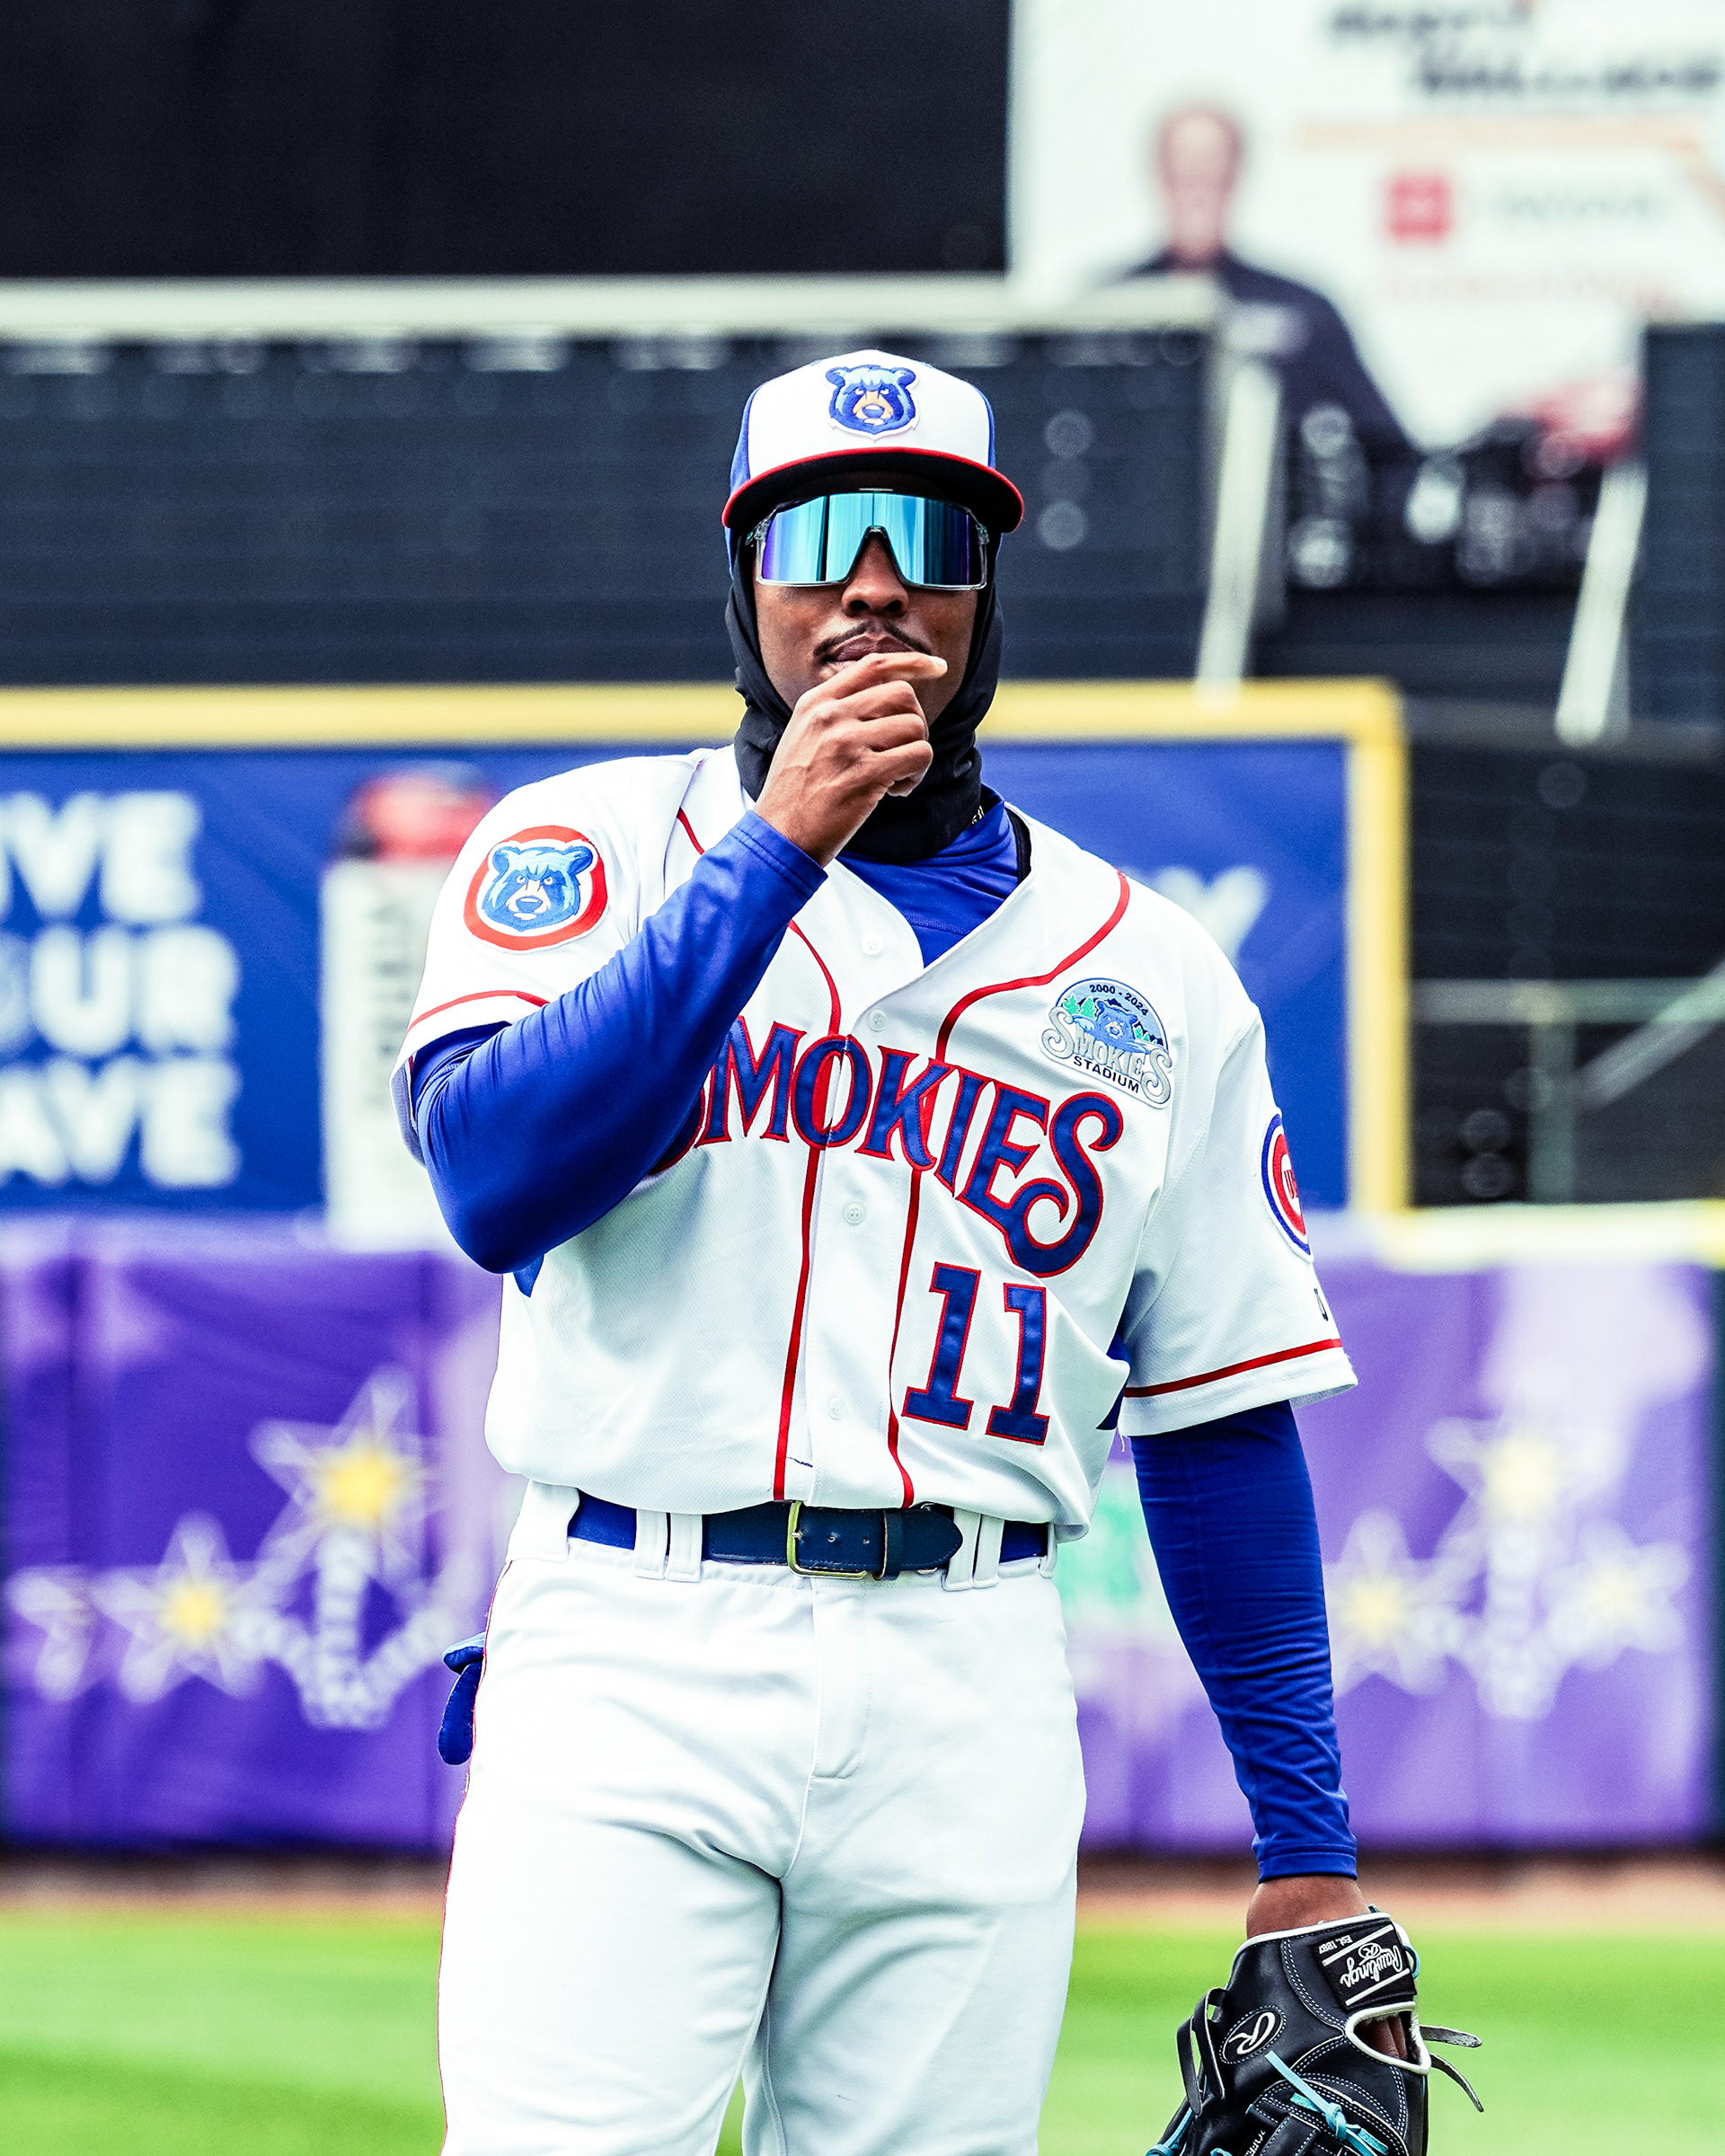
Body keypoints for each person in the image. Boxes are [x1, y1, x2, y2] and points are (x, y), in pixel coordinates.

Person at [393, 349, 1392, 2156]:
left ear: (985, 590)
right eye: (817, 536)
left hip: (967, 1668)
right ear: (746, 579)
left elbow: (1221, 1419)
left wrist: (1307, 1852)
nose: (872, 585)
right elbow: (492, 1180)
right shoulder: (587, 846)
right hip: (633, 1630)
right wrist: (776, 850)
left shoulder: (1150, 971)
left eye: (930, 538)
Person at [1134, 105, 1411, 460]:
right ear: (1159, 176)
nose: (1197, 193)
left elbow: (1391, 454)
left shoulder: (1303, 312)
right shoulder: (1105, 313)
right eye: (1183, 174)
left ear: (1235, 177)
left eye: (1212, 175)